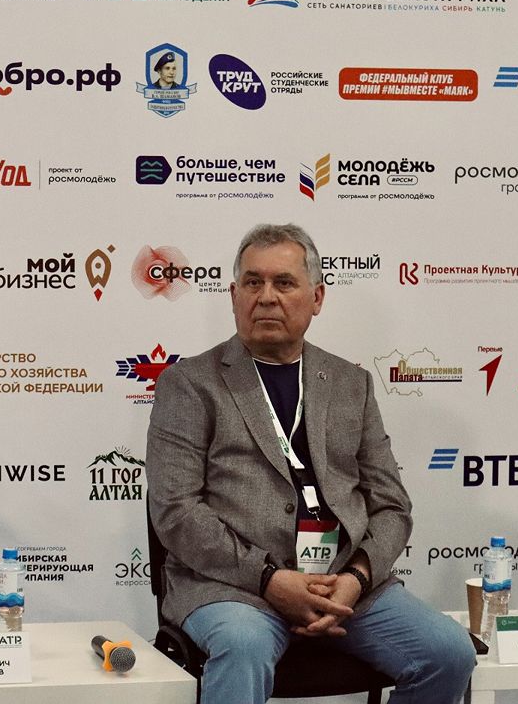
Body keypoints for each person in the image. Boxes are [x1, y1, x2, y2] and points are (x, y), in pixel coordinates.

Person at [147, 223, 474, 704]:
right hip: (233, 587)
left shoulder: (350, 384)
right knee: (243, 645)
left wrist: (356, 579)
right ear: (234, 296)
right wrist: (269, 579)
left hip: (343, 585)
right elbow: (176, 512)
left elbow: (391, 506)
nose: (267, 297)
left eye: (284, 283)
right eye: (253, 283)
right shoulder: (190, 384)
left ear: (317, 297)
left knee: (449, 652)